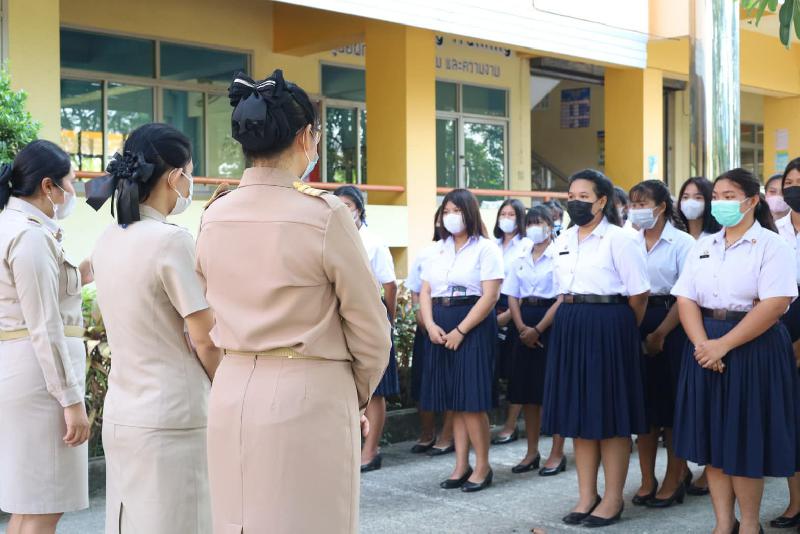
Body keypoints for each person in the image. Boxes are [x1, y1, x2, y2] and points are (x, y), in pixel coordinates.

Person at [197, 70, 391, 534]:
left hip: (231, 388)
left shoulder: (214, 214)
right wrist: (353, 395)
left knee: (239, 522)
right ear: (306, 137)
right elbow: (371, 330)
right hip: (309, 393)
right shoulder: (324, 215)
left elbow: (206, 317)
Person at [86, 124, 221, 534]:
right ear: (174, 177)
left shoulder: (107, 239)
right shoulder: (171, 241)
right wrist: (228, 388)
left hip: (123, 412)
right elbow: (205, 338)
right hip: (175, 416)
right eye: (190, 173)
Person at [672, 168, 800, 534]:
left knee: (744, 442)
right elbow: (686, 298)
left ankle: (750, 525)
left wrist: (723, 345)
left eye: (729, 196)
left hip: (752, 346)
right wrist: (703, 345)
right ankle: (723, 523)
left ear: (752, 201)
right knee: (714, 442)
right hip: (705, 344)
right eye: (717, 196)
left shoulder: (772, 245)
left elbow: (775, 303)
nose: (720, 203)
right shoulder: (704, 245)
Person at [541, 169, 650, 528]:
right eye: (571, 196)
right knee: (579, 415)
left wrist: (619, 332)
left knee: (611, 416)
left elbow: (639, 295)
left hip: (609, 324)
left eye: (584, 196)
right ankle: (587, 495)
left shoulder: (621, 239)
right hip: (570, 323)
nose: (575, 202)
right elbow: (561, 290)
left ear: (602, 201)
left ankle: (613, 498)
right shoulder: (563, 239)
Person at [0, 140, 90, 534]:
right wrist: (71, 399)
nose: (73, 191)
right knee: (44, 505)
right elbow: (45, 325)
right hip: (42, 383)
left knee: (30, 504)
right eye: (70, 182)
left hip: (29, 375)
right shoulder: (30, 236)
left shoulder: (15, 227)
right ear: (48, 186)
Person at [419, 189, 503, 492]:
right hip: (440, 321)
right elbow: (425, 291)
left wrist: (462, 330)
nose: (450, 216)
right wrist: (430, 325)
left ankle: (482, 466)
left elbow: (490, 296)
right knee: (453, 400)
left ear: (469, 213)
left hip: (472, 323)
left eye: (456, 211)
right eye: (446, 211)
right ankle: (460, 465)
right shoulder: (437, 250)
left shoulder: (486, 248)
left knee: (471, 401)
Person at [626, 180, 695, 510]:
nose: (636, 210)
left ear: (662, 207)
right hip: (634, 319)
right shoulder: (628, 240)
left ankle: (673, 477)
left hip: (673, 323)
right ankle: (646, 479)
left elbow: (686, 294)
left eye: (643, 204)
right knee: (644, 407)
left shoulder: (682, 242)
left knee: (671, 407)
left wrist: (660, 334)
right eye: (633, 204)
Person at [333, 185, 399, 472]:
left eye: (348, 205)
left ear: (359, 209)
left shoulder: (373, 242)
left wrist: (388, 320)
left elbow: (390, 286)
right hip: (339, 316)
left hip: (371, 313)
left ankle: (371, 450)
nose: (343, 210)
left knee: (375, 388)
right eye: (338, 204)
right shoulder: (331, 237)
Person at [504, 205, 564, 475]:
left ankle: (557, 453)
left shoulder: (560, 254)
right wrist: (521, 327)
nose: (535, 228)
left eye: (540, 223)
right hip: (523, 321)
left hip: (550, 323)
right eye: (530, 223)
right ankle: (531, 452)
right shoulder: (520, 255)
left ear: (551, 226)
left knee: (553, 390)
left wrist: (538, 329)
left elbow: (562, 297)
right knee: (527, 392)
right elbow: (512, 295)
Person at [406, 207, 455, 456]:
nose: (445, 221)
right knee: (423, 380)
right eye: (441, 217)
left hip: (453, 322)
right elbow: (416, 290)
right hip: (427, 323)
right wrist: (421, 317)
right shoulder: (426, 253)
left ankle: (447, 436)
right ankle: (427, 433)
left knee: (451, 381)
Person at [771, 157, 800, 530]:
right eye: (789, 182)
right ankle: (795, 502)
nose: (794, 188)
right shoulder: (774, 231)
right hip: (779, 319)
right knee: (792, 419)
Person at [492, 199, 532, 445]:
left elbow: (526, 283)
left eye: (511, 214)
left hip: (515, 308)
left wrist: (508, 315)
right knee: (494, 367)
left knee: (515, 369)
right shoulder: (491, 244)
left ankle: (510, 424)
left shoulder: (526, 244)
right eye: (503, 214)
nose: (506, 219)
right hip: (490, 305)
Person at [677, 176, 721, 243]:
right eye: (685, 197)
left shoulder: (719, 237)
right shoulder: (675, 236)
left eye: (698, 197)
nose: (690, 202)